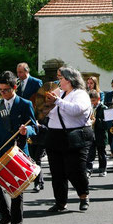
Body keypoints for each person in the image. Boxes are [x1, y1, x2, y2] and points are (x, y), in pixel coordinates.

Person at [0, 71, 36, 224]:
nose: (2, 93)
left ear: (14, 87)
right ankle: (5, 215)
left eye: (5, 90)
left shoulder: (25, 104)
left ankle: (16, 223)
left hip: (17, 151)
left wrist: (27, 130)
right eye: (0, 90)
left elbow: (35, 127)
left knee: (16, 187)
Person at [45, 67, 94, 212]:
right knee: (57, 172)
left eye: (61, 78)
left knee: (75, 170)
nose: (58, 81)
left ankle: (83, 196)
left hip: (74, 136)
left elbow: (77, 110)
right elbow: (49, 113)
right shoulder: (60, 93)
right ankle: (60, 202)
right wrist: (45, 105)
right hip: (55, 136)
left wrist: (57, 101)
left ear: (70, 79)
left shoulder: (80, 94)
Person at [16, 62, 44, 191]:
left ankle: (38, 182)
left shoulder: (36, 82)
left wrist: (37, 120)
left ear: (27, 71)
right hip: (21, 121)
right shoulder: (17, 83)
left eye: (21, 72)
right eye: (18, 72)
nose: (19, 74)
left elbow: (40, 102)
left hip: (33, 120)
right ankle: (25, 180)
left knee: (35, 155)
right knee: (23, 155)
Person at [87, 89, 108, 177]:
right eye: (90, 101)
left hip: (101, 135)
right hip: (92, 134)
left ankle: (102, 169)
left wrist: (96, 121)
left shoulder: (104, 108)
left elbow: (106, 123)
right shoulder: (89, 108)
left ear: (98, 99)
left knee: (102, 153)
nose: (92, 103)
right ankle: (88, 170)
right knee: (90, 153)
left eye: (94, 100)